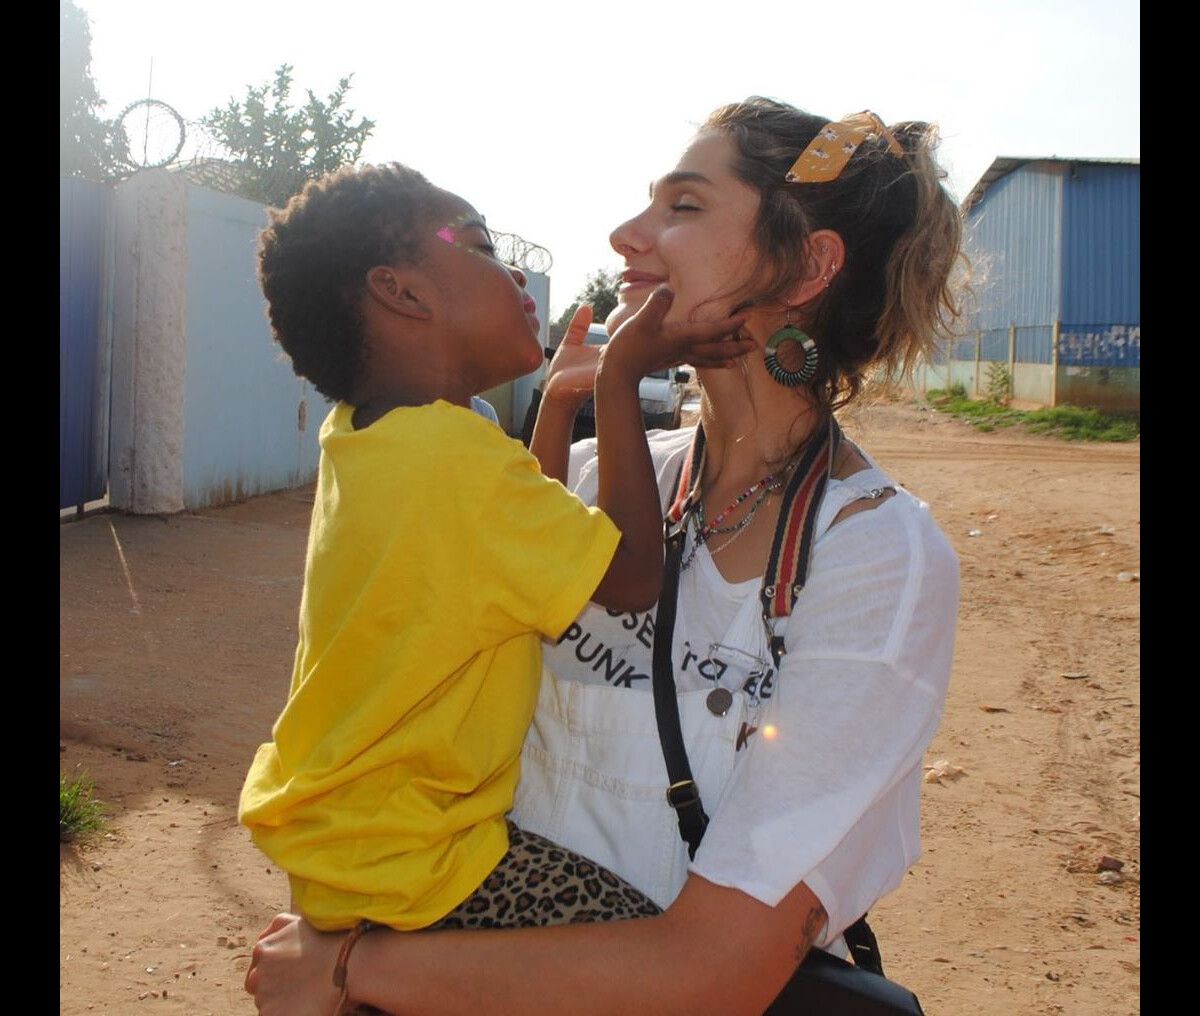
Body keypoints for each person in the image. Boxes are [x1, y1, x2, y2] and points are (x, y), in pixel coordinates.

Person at [245, 96, 965, 1016]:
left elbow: (711, 974)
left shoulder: (874, 559)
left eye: (685, 207)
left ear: (806, 267)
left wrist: (350, 968)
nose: (627, 235)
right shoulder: (586, 478)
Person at [237, 162, 754, 941]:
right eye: (479, 245)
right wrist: (620, 382)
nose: (514, 269)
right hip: (417, 864)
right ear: (402, 292)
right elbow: (630, 578)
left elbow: (516, 548)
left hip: (353, 839)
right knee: (658, 958)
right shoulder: (451, 456)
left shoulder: (381, 435)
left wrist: (562, 401)